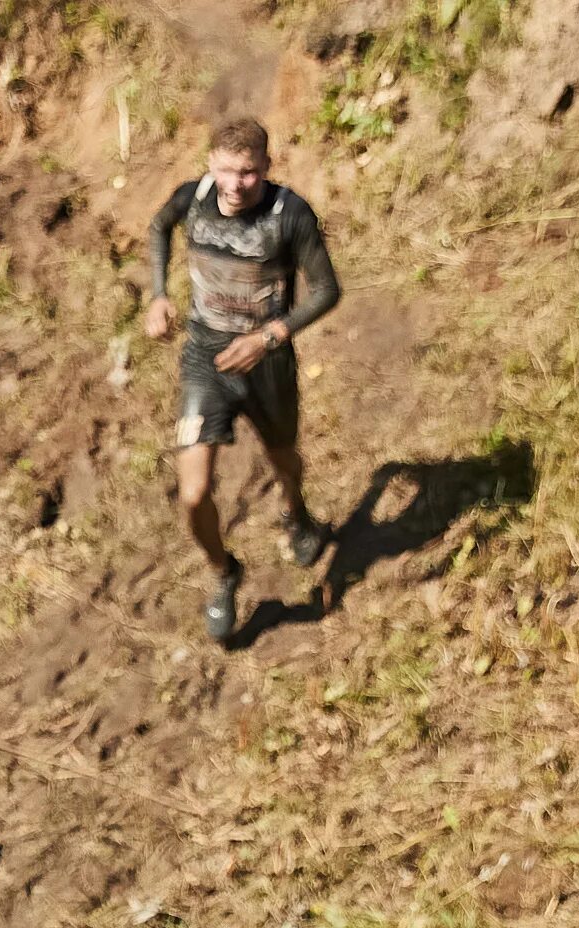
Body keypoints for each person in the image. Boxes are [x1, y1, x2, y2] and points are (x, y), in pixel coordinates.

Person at [143, 116, 342, 642]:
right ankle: (224, 572)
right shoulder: (192, 198)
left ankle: (298, 515)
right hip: (205, 359)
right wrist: (159, 293)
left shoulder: (290, 214)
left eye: (249, 173)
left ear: (266, 169)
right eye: (228, 171)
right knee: (193, 493)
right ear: (210, 163)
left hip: (267, 362)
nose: (236, 185)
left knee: (284, 458)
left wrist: (268, 338)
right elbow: (158, 228)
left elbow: (326, 290)